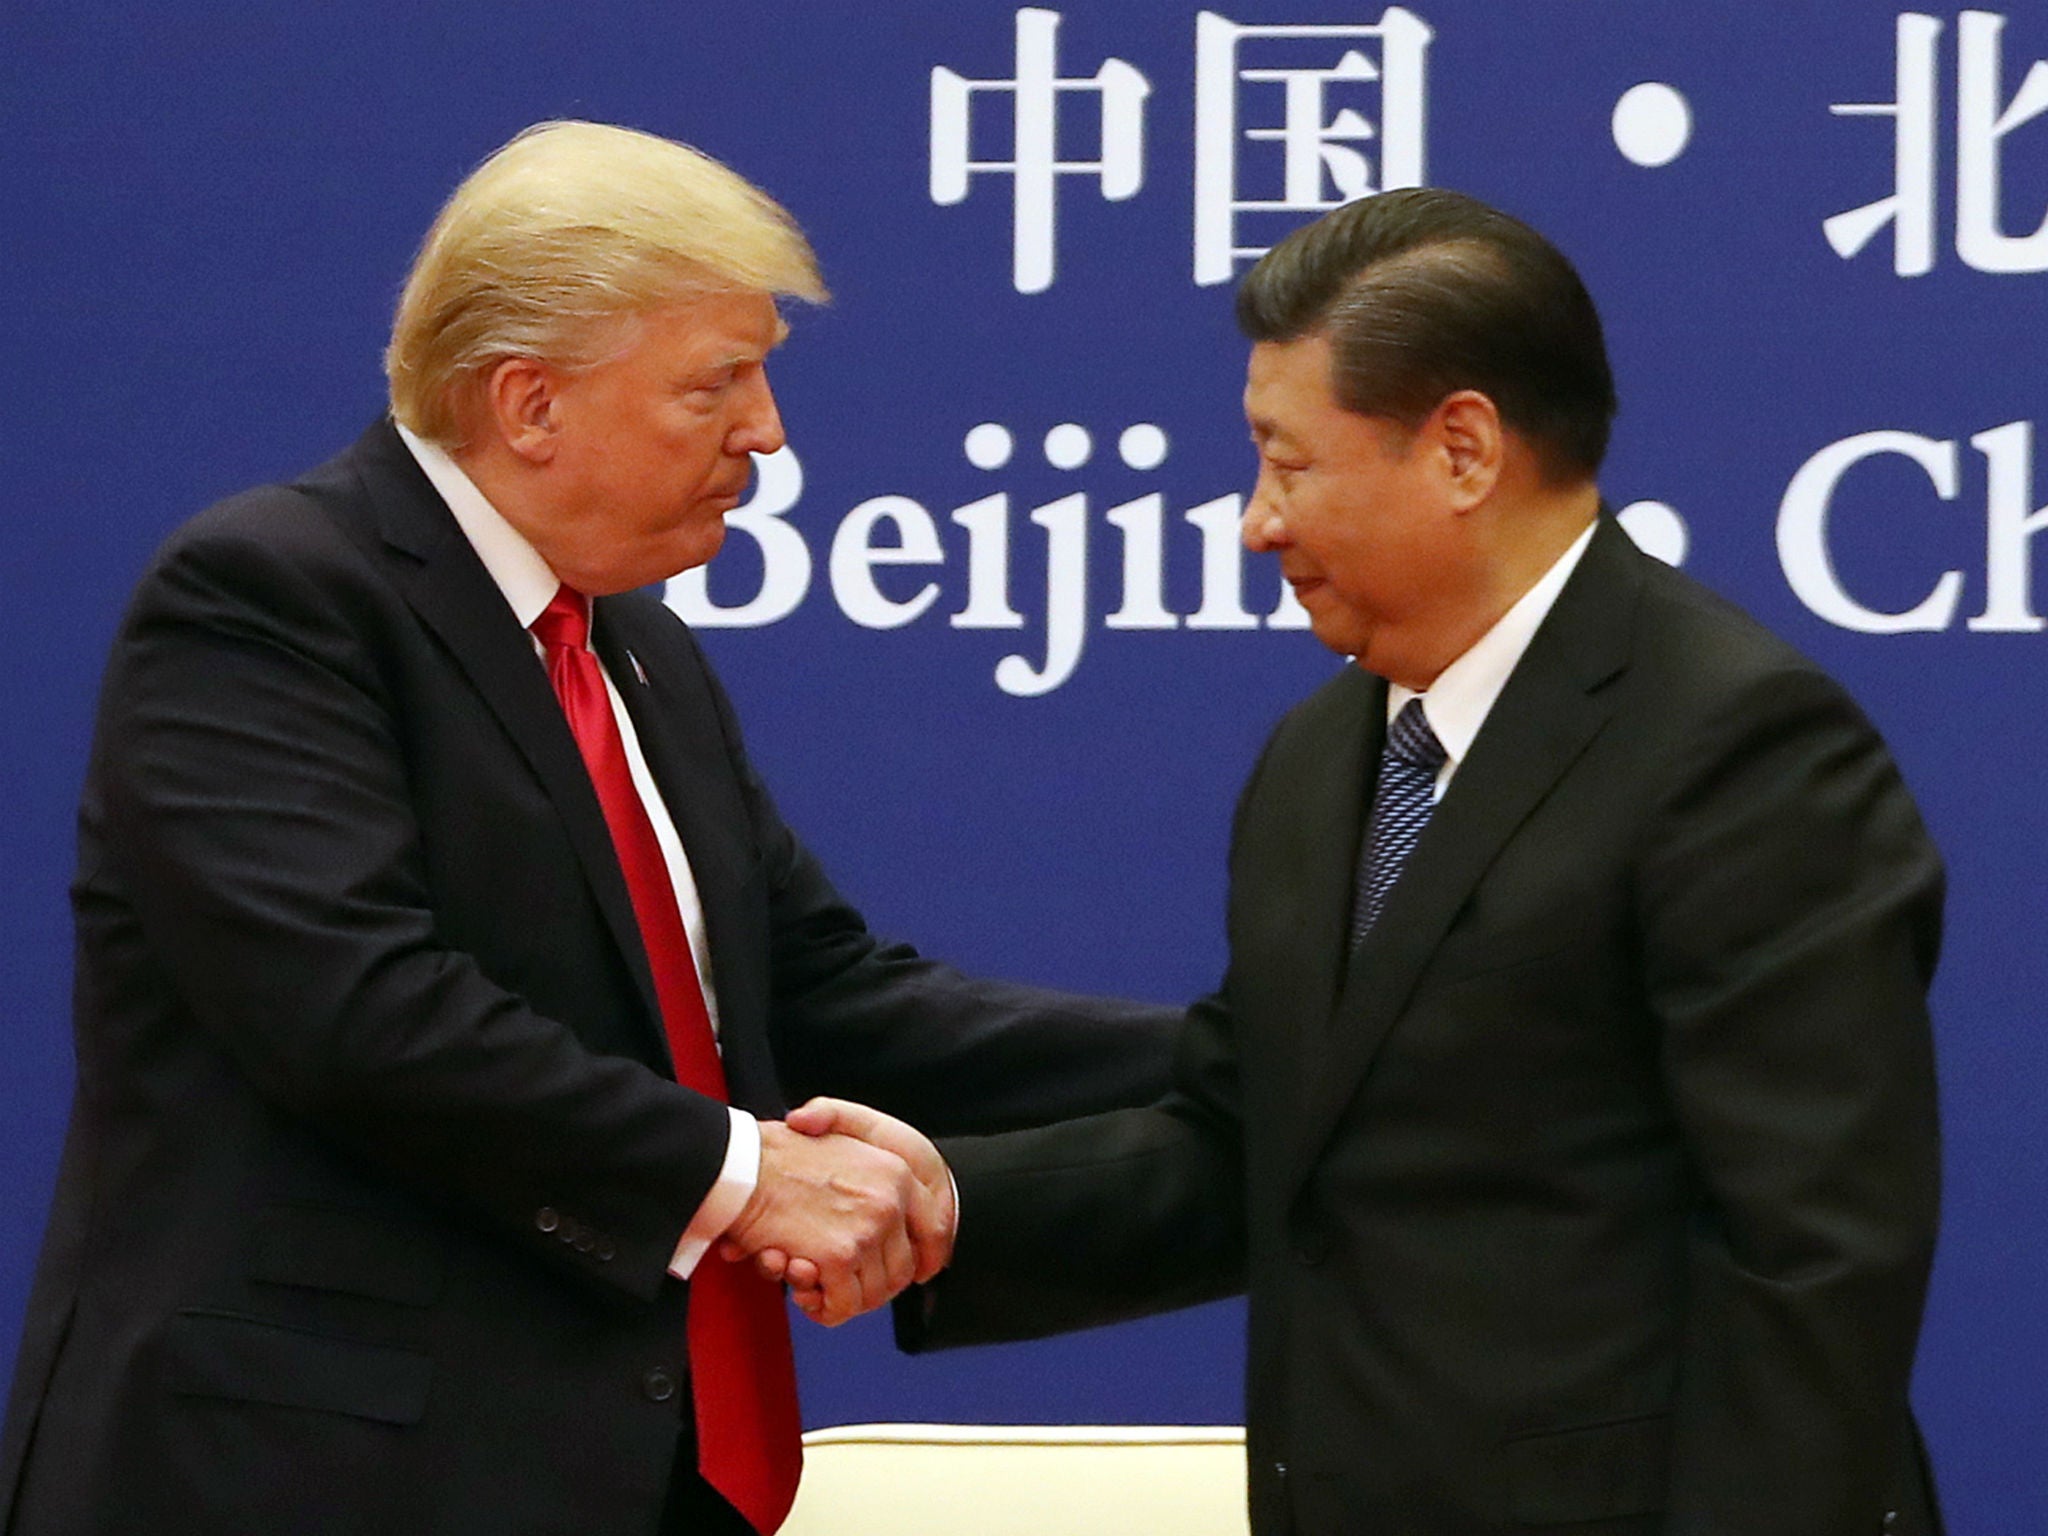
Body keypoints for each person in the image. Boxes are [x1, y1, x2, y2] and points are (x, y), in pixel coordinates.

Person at [0, 120, 1174, 1536]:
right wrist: (747, 1179)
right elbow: (358, 1014)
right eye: (716, 383)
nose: (768, 432)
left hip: (610, 1477)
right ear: (529, 404)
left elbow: (821, 997)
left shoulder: (637, 652)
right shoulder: (272, 598)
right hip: (305, 1478)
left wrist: (1258, 1056)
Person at [842, 189, 1946, 1535]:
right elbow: (1258, 1140)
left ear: (1463, 448)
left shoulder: (1736, 747)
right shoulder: (1322, 760)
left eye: (1286, 462)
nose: (1257, 521)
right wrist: (944, 1205)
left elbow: (1816, 1265)